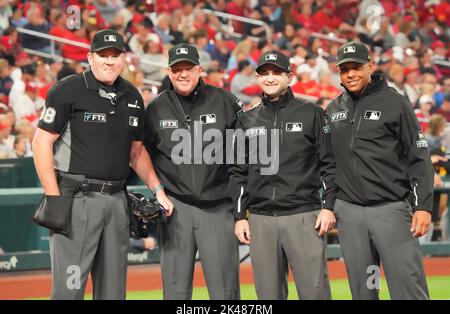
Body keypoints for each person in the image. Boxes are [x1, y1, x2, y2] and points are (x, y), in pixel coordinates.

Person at [32, 29, 173, 300]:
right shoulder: (67, 89)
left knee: (113, 291)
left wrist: (157, 189)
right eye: (103, 55)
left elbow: (137, 151)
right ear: (90, 57)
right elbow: (41, 143)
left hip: (117, 201)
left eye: (115, 55)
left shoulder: (132, 96)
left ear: (123, 59)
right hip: (77, 199)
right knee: (69, 289)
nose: (109, 61)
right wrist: (53, 196)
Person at [326, 41, 434, 300]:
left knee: (408, 288)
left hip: (391, 210)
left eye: (356, 67)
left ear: (370, 67)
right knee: (365, 290)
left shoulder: (395, 103)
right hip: (350, 214)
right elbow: (326, 163)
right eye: (344, 69)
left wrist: (423, 206)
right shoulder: (333, 109)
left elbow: (419, 156)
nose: (350, 74)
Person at [231, 50, 337, 300]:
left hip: (303, 215)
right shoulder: (246, 120)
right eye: (264, 73)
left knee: (315, 293)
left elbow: (329, 164)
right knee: (268, 296)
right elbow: (238, 172)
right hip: (260, 219)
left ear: (289, 77)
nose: (270, 78)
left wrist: (328, 207)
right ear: (257, 78)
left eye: (277, 72)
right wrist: (239, 216)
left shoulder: (312, 113)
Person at [144, 43, 242, 300]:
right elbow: (140, 154)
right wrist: (157, 191)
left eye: (188, 68)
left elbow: (245, 155)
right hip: (175, 210)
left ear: (200, 70)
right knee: (175, 291)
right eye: (177, 69)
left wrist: (241, 205)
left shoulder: (225, 101)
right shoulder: (155, 109)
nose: (183, 74)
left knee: (225, 292)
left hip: (219, 207)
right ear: (168, 71)